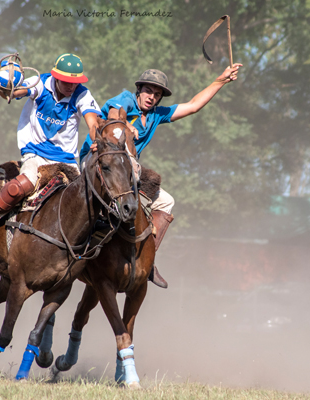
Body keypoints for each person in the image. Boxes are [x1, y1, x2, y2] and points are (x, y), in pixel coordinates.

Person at [79, 64, 243, 287]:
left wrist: (221, 80)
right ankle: (78, 248)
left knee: (166, 201)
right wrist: (127, 125)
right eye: (148, 91)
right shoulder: (126, 99)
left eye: (157, 94)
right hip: (98, 162)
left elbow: (193, 106)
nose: (151, 97)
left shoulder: (156, 115)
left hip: (125, 172)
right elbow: (114, 116)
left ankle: (147, 259)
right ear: (139, 90)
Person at [0, 53, 101, 247]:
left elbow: (93, 122)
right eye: (67, 82)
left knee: (90, 198)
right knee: (21, 186)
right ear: (56, 77)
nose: (71, 86)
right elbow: (17, 92)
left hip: (67, 160)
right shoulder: (40, 82)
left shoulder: (82, 94)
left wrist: (99, 140)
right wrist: (3, 88)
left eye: (75, 83)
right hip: (36, 154)